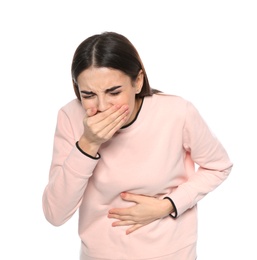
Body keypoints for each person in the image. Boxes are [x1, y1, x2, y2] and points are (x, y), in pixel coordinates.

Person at [42, 31, 233, 260]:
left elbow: (219, 166)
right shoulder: (70, 116)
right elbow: (55, 214)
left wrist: (169, 205)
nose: (102, 106)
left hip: (170, 252)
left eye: (114, 92)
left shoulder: (176, 113)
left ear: (138, 81)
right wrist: (88, 144)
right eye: (89, 94)